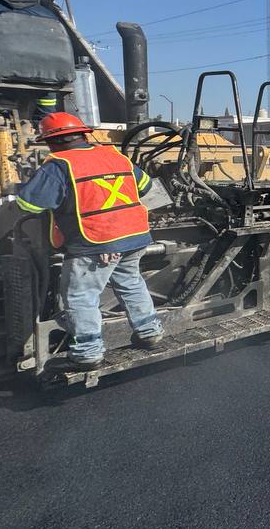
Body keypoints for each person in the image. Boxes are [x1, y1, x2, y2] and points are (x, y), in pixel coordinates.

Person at [12, 112, 163, 372]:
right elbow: (147, 187)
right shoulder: (114, 156)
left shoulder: (59, 164)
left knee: (81, 297)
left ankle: (88, 352)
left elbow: (28, 204)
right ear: (84, 134)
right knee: (131, 283)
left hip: (95, 242)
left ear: (51, 142)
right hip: (134, 236)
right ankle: (150, 332)